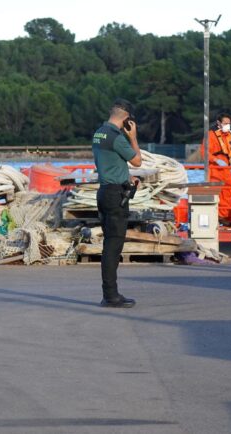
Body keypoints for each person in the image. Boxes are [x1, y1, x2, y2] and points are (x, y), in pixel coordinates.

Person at [92, 98, 142, 308]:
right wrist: (133, 137)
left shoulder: (99, 133)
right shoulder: (117, 137)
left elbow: (110, 161)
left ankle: (111, 293)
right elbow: (137, 160)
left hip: (104, 191)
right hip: (115, 196)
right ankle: (110, 295)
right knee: (113, 246)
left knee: (109, 244)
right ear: (126, 118)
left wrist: (124, 176)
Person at [202, 113, 231, 224]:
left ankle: (223, 216)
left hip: (226, 168)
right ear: (218, 123)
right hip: (214, 167)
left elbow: (229, 155)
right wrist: (216, 160)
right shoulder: (210, 135)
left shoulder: (229, 136)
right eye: (225, 123)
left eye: (229, 123)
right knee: (214, 192)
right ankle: (213, 216)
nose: (227, 125)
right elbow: (204, 152)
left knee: (229, 191)